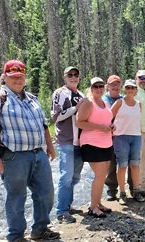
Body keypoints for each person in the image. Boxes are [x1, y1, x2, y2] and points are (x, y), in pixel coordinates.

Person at [0, 60, 59, 242]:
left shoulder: (33, 98)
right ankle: (15, 236)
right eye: (13, 76)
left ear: (25, 78)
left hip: (38, 154)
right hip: (14, 156)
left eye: (21, 76)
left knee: (46, 193)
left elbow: (44, 125)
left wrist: (50, 146)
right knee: (16, 196)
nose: (17, 80)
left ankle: (40, 228)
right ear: (4, 77)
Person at [76, 77, 115, 218]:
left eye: (101, 86)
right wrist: (100, 128)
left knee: (102, 175)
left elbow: (105, 120)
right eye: (95, 86)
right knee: (99, 176)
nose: (98, 88)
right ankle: (92, 207)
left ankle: (98, 203)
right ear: (91, 89)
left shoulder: (104, 102)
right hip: (92, 143)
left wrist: (111, 126)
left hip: (106, 142)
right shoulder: (88, 103)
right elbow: (79, 123)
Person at [51, 66, 85, 224]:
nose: (73, 77)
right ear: (64, 77)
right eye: (70, 75)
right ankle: (61, 211)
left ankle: (68, 205)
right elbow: (56, 117)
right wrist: (75, 109)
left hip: (80, 142)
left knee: (75, 177)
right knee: (66, 176)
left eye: (76, 75)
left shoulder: (82, 95)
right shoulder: (60, 93)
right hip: (66, 141)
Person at [110, 79, 143, 204]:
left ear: (135, 90)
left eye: (132, 88)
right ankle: (122, 193)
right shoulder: (119, 102)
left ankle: (136, 190)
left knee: (135, 165)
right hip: (120, 137)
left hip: (136, 137)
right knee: (122, 165)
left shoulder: (139, 104)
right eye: (128, 88)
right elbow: (108, 116)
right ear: (125, 89)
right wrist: (110, 127)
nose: (130, 90)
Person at [102, 75, 127, 201]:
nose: (115, 86)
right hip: (108, 138)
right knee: (110, 165)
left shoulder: (124, 100)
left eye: (117, 84)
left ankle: (126, 188)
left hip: (122, 137)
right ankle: (111, 191)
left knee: (123, 164)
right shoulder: (103, 100)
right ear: (107, 86)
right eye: (112, 84)